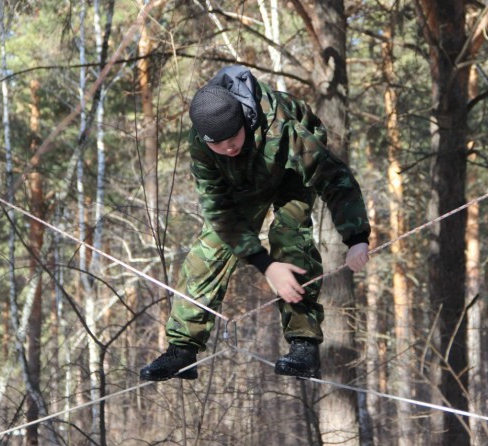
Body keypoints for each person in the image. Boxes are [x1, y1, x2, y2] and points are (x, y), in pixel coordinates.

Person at [140, 65, 370, 381]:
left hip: (290, 171)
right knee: (210, 248)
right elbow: (219, 210)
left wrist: (356, 236)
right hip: (246, 180)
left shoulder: (283, 130)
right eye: (218, 144)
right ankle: (182, 350)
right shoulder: (201, 146)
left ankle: (303, 344)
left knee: (289, 236)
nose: (228, 147)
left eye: (233, 137)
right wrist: (264, 264)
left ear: (244, 121)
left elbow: (335, 178)